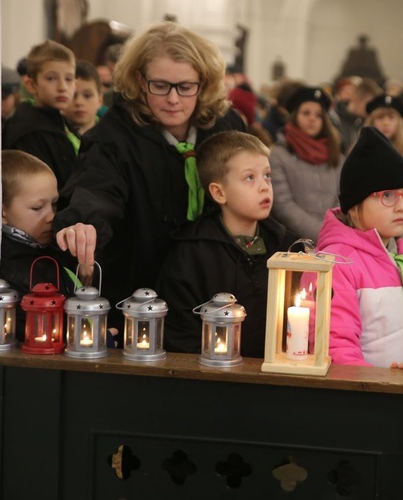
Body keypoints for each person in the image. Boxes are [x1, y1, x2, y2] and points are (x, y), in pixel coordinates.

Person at [52, 21, 245, 335]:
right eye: (160, 85)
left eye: (185, 86)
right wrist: (84, 222)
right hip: (140, 295)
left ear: (204, 82)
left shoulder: (227, 126)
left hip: (216, 293)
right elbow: (98, 187)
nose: (173, 99)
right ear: (140, 81)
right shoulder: (116, 135)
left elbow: (254, 189)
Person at [315, 127, 403, 370]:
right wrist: (382, 384)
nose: (402, 207)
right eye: (388, 195)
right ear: (356, 203)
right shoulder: (337, 264)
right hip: (372, 396)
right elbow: (337, 347)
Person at [157, 131, 298, 358]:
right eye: (249, 178)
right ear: (219, 192)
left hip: (277, 375)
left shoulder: (288, 246)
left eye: (267, 175)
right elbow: (180, 335)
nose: (264, 187)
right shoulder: (192, 254)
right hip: (213, 378)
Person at [0, 150, 90, 340]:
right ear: (2, 211)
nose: (51, 216)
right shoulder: (17, 268)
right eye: (37, 208)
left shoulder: (50, 249)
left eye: (55, 204)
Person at [270, 86, 343, 242]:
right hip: (293, 242)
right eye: (306, 113)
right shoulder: (279, 155)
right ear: (295, 116)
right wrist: (322, 233)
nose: (312, 119)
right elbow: (283, 205)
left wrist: (335, 230)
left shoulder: (336, 156)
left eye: (318, 115)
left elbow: (342, 198)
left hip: (335, 239)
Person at [2, 40, 79, 188]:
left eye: (68, 79)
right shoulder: (29, 131)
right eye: (51, 78)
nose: (62, 87)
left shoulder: (60, 119)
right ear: (32, 85)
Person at [364, 94, 403, 171]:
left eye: (391, 117)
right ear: (372, 122)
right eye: (380, 117)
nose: (386, 123)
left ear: (399, 123)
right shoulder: (361, 151)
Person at [64, 59, 103, 136]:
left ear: (100, 100)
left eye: (87, 95)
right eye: (72, 95)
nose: (79, 102)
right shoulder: (53, 135)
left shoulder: (111, 134)